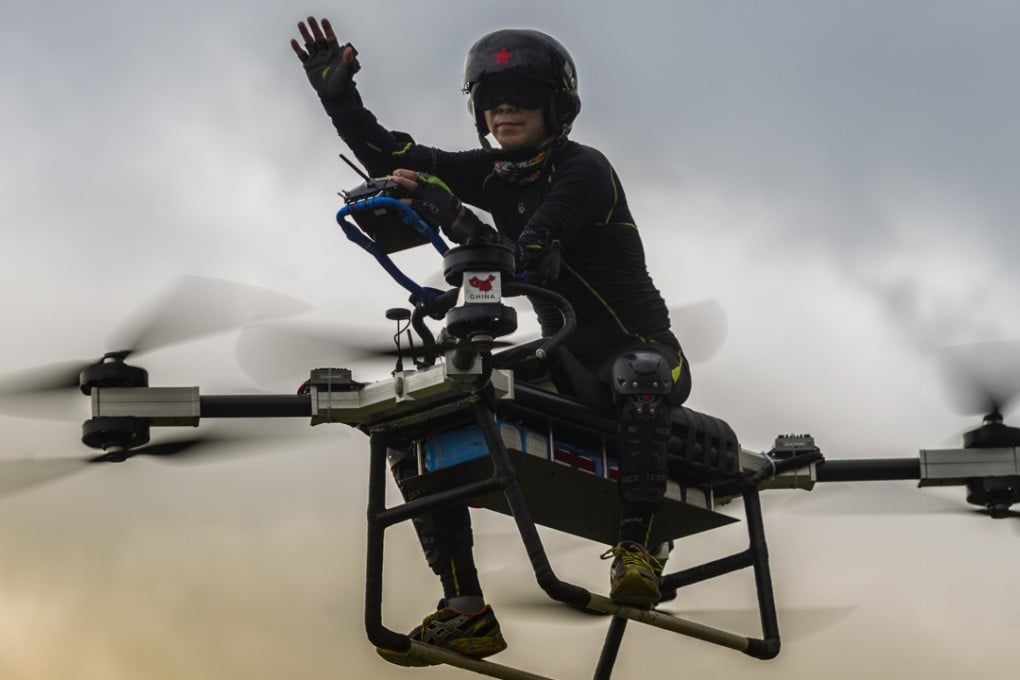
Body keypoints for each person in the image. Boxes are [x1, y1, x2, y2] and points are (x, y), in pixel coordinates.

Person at [291, 17, 691, 665]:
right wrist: (339, 98)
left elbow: (532, 249)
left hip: (647, 361)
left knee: (639, 370)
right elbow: (393, 158)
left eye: (523, 99)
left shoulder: (586, 170)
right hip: (564, 362)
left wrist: (451, 212)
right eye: (493, 100)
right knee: (419, 415)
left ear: (556, 109)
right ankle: (465, 608)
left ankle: (637, 548)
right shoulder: (492, 173)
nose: (506, 111)